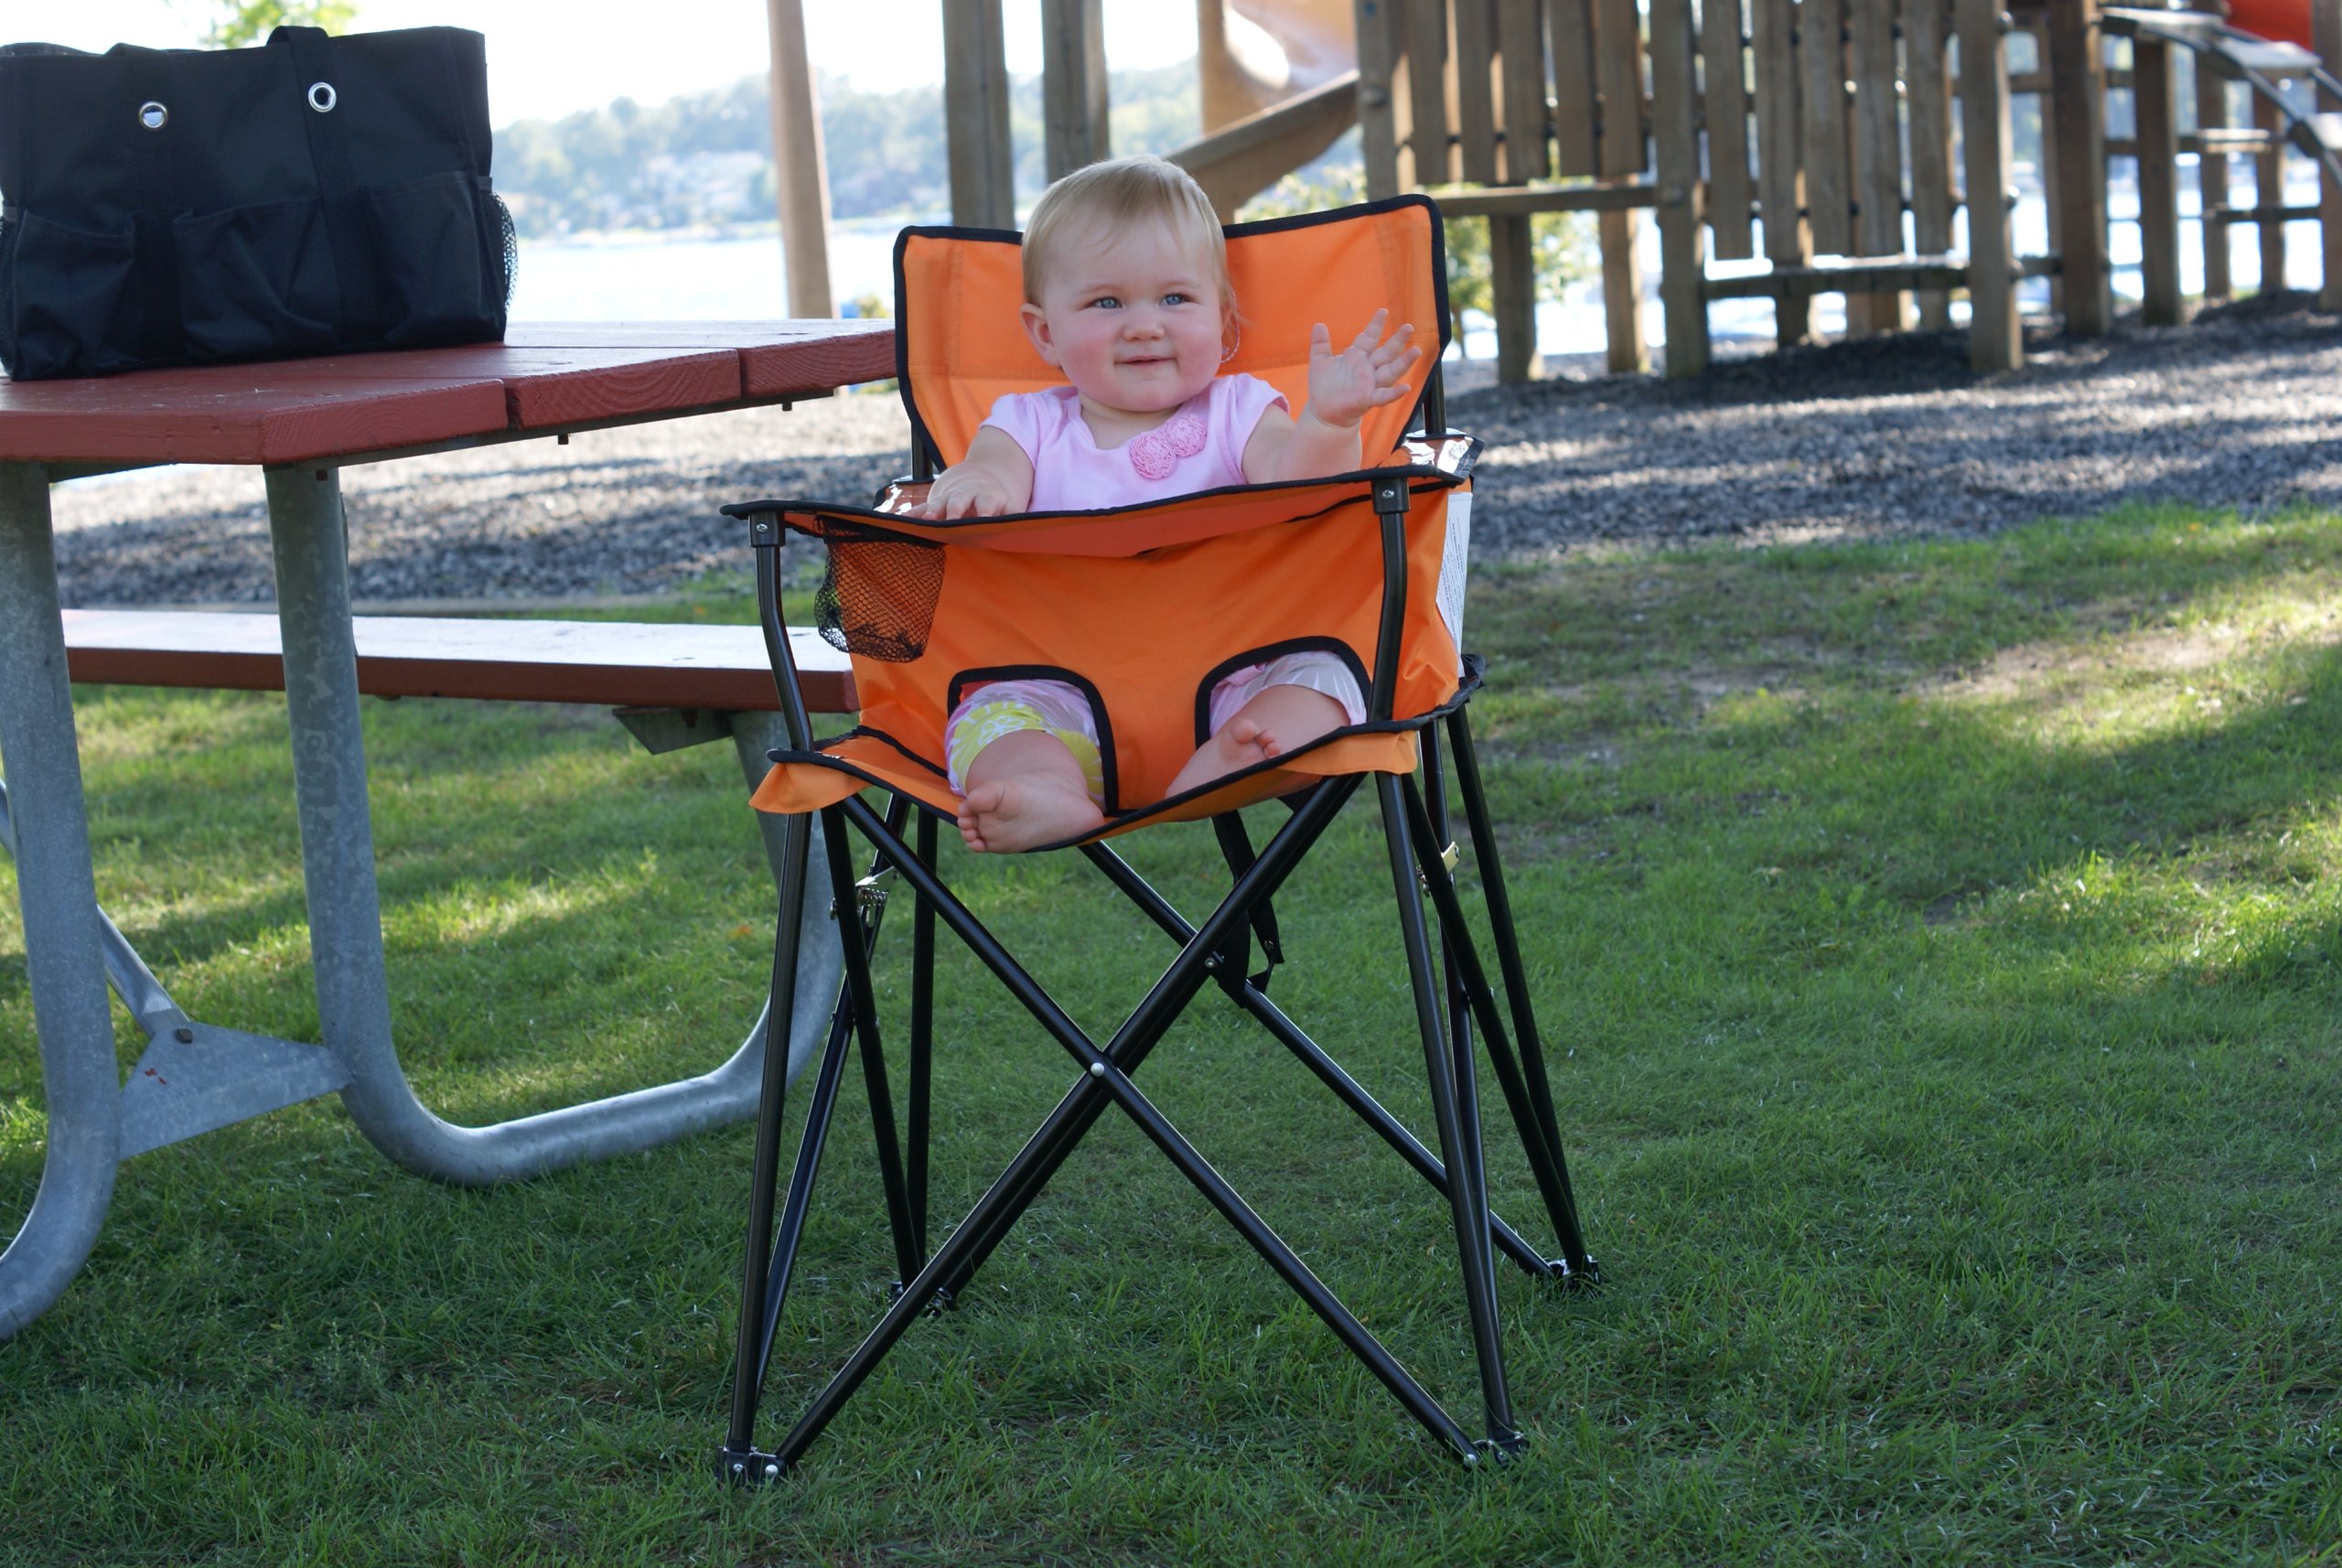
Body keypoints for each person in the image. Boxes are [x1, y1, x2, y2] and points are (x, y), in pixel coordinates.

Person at [911, 155, 1421, 853]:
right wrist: (973, 488)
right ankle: (1046, 789)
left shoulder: (1242, 411)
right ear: (1045, 332)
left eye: (1176, 299)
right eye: (1107, 303)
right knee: (992, 721)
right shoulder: (1027, 425)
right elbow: (987, 472)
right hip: (1061, 693)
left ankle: (1231, 765)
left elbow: (1302, 488)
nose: (1145, 326)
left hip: (1240, 681)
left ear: (1225, 322)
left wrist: (1330, 424)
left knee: (1329, 684)